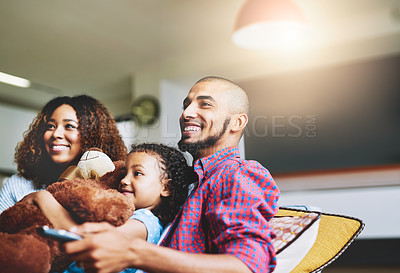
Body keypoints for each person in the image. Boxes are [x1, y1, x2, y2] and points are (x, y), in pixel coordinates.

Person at [64, 76, 280, 273]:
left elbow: (246, 266)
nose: (186, 113)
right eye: (186, 105)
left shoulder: (236, 173)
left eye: (205, 104)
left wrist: (132, 252)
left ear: (237, 122)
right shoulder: (188, 183)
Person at [30, 143, 192, 273]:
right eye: (124, 174)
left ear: (166, 188)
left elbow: (87, 240)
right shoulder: (127, 215)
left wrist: (42, 199)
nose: (124, 181)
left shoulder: (145, 222)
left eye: (137, 173)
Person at [0, 95, 127, 214]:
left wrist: (41, 199)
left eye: (69, 126)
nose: (56, 134)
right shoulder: (18, 185)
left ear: (92, 135)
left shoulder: (118, 185)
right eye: (50, 126)